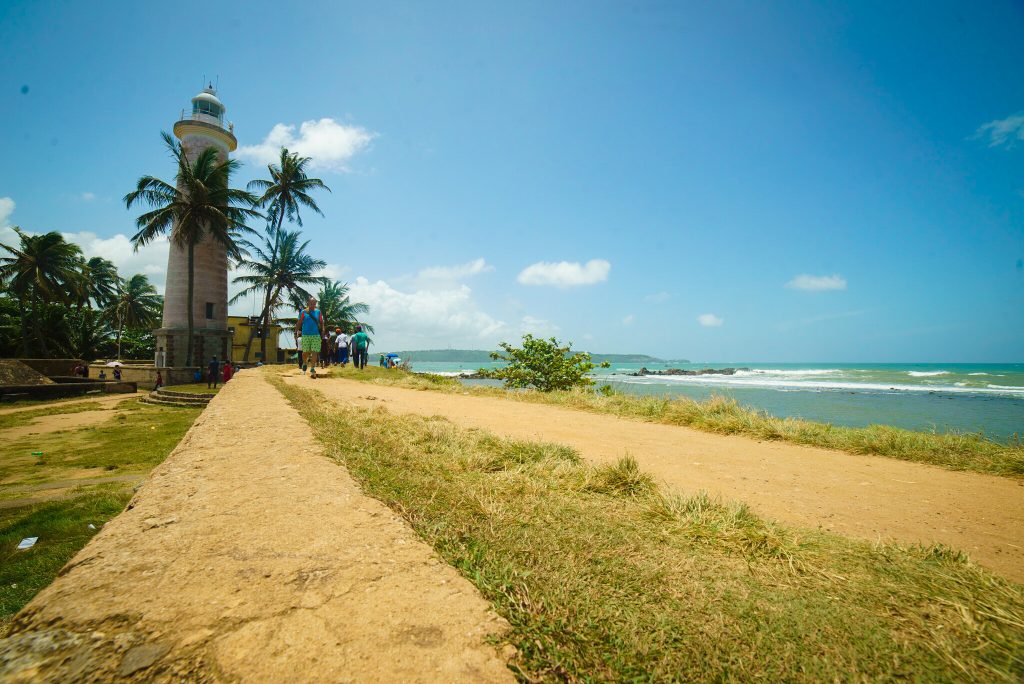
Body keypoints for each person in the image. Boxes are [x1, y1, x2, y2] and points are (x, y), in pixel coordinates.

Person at [296, 297, 326, 377]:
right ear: (308, 303)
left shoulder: (318, 312)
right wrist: (295, 331)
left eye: (314, 303)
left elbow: (321, 322)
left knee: (314, 351)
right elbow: (299, 322)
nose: (313, 305)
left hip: (315, 335)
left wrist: (323, 330)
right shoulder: (303, 312)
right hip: (305, 335)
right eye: (311, 303)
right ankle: (305, 362)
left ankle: (312, 368)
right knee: (305, 352)